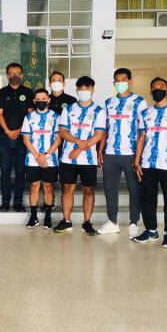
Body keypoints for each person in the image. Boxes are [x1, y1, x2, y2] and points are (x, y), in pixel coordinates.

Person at [132, 77, 167, 248]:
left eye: (162, 86)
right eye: (154, 87)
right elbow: (141, 137)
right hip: (147, 163)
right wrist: (137, 161)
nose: (158, 89)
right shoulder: (145, 113)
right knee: (147, 198)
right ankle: (151, 230)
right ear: (150, 91)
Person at [97, 68, 148, 239]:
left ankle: (134, 223)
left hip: (131, 153)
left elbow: (143, 131)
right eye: (117, 80)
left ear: (130, 81)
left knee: (135, 189)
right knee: (110, 189)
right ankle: (113, 222)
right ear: (114, 83)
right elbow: (104, 129)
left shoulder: (139, 102)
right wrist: (101, 151)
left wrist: (139, 156)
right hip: (110, 153)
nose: (120, 83)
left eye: (123, 80)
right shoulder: (108, 103)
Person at [54, 76, 106, 235]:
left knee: (88, 190)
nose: (84, 91)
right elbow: (63, 131)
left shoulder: (99, 111)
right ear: (77, 90)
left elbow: (99, 134)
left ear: (92, 90)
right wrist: (77, 142)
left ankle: (87, 222)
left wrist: (79, 149)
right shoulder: (68, 109)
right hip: (68, 157)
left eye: (87, 88)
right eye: (81, 88)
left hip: (88, 159)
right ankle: (66, 221)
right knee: (67, 188)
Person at [0, 62, 34, 212]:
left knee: (20, 171)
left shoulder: (28, 92)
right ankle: (5, 201)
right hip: (4, 138)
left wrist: (19, 130)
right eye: (11, 73)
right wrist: (7, 131)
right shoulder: (2, 92)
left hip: (22, 139)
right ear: (7, 75)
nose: (14, 76)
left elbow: (30, 115)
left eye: (17, 73)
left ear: (22, 75)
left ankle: (18, 201)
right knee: (5, 170)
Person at [22, 89, 62, 229]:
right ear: (34, 101)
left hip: (50, 159)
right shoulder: (29, 117)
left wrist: (46, 155)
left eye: (44, 98)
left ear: (48, 100)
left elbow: (58, 139)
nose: (41, 101)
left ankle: (48, 217)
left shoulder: (56, 116)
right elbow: (26, 139)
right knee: (34, 186)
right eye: (38, 99)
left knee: (48, 187)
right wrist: (37, 156)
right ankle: (33, 217)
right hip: (32, 159)